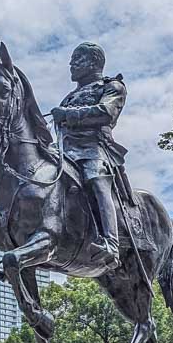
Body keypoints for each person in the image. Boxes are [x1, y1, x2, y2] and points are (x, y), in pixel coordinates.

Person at [50, 41, 135, 268]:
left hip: (93, 148)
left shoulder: (112, 87)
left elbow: (106, 113)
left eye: (77, 59)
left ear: (93, 62)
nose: (71, 64)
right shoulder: (68, 97)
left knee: (95, 177)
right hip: (64, 151)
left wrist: (68, 114)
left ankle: (110, 242)